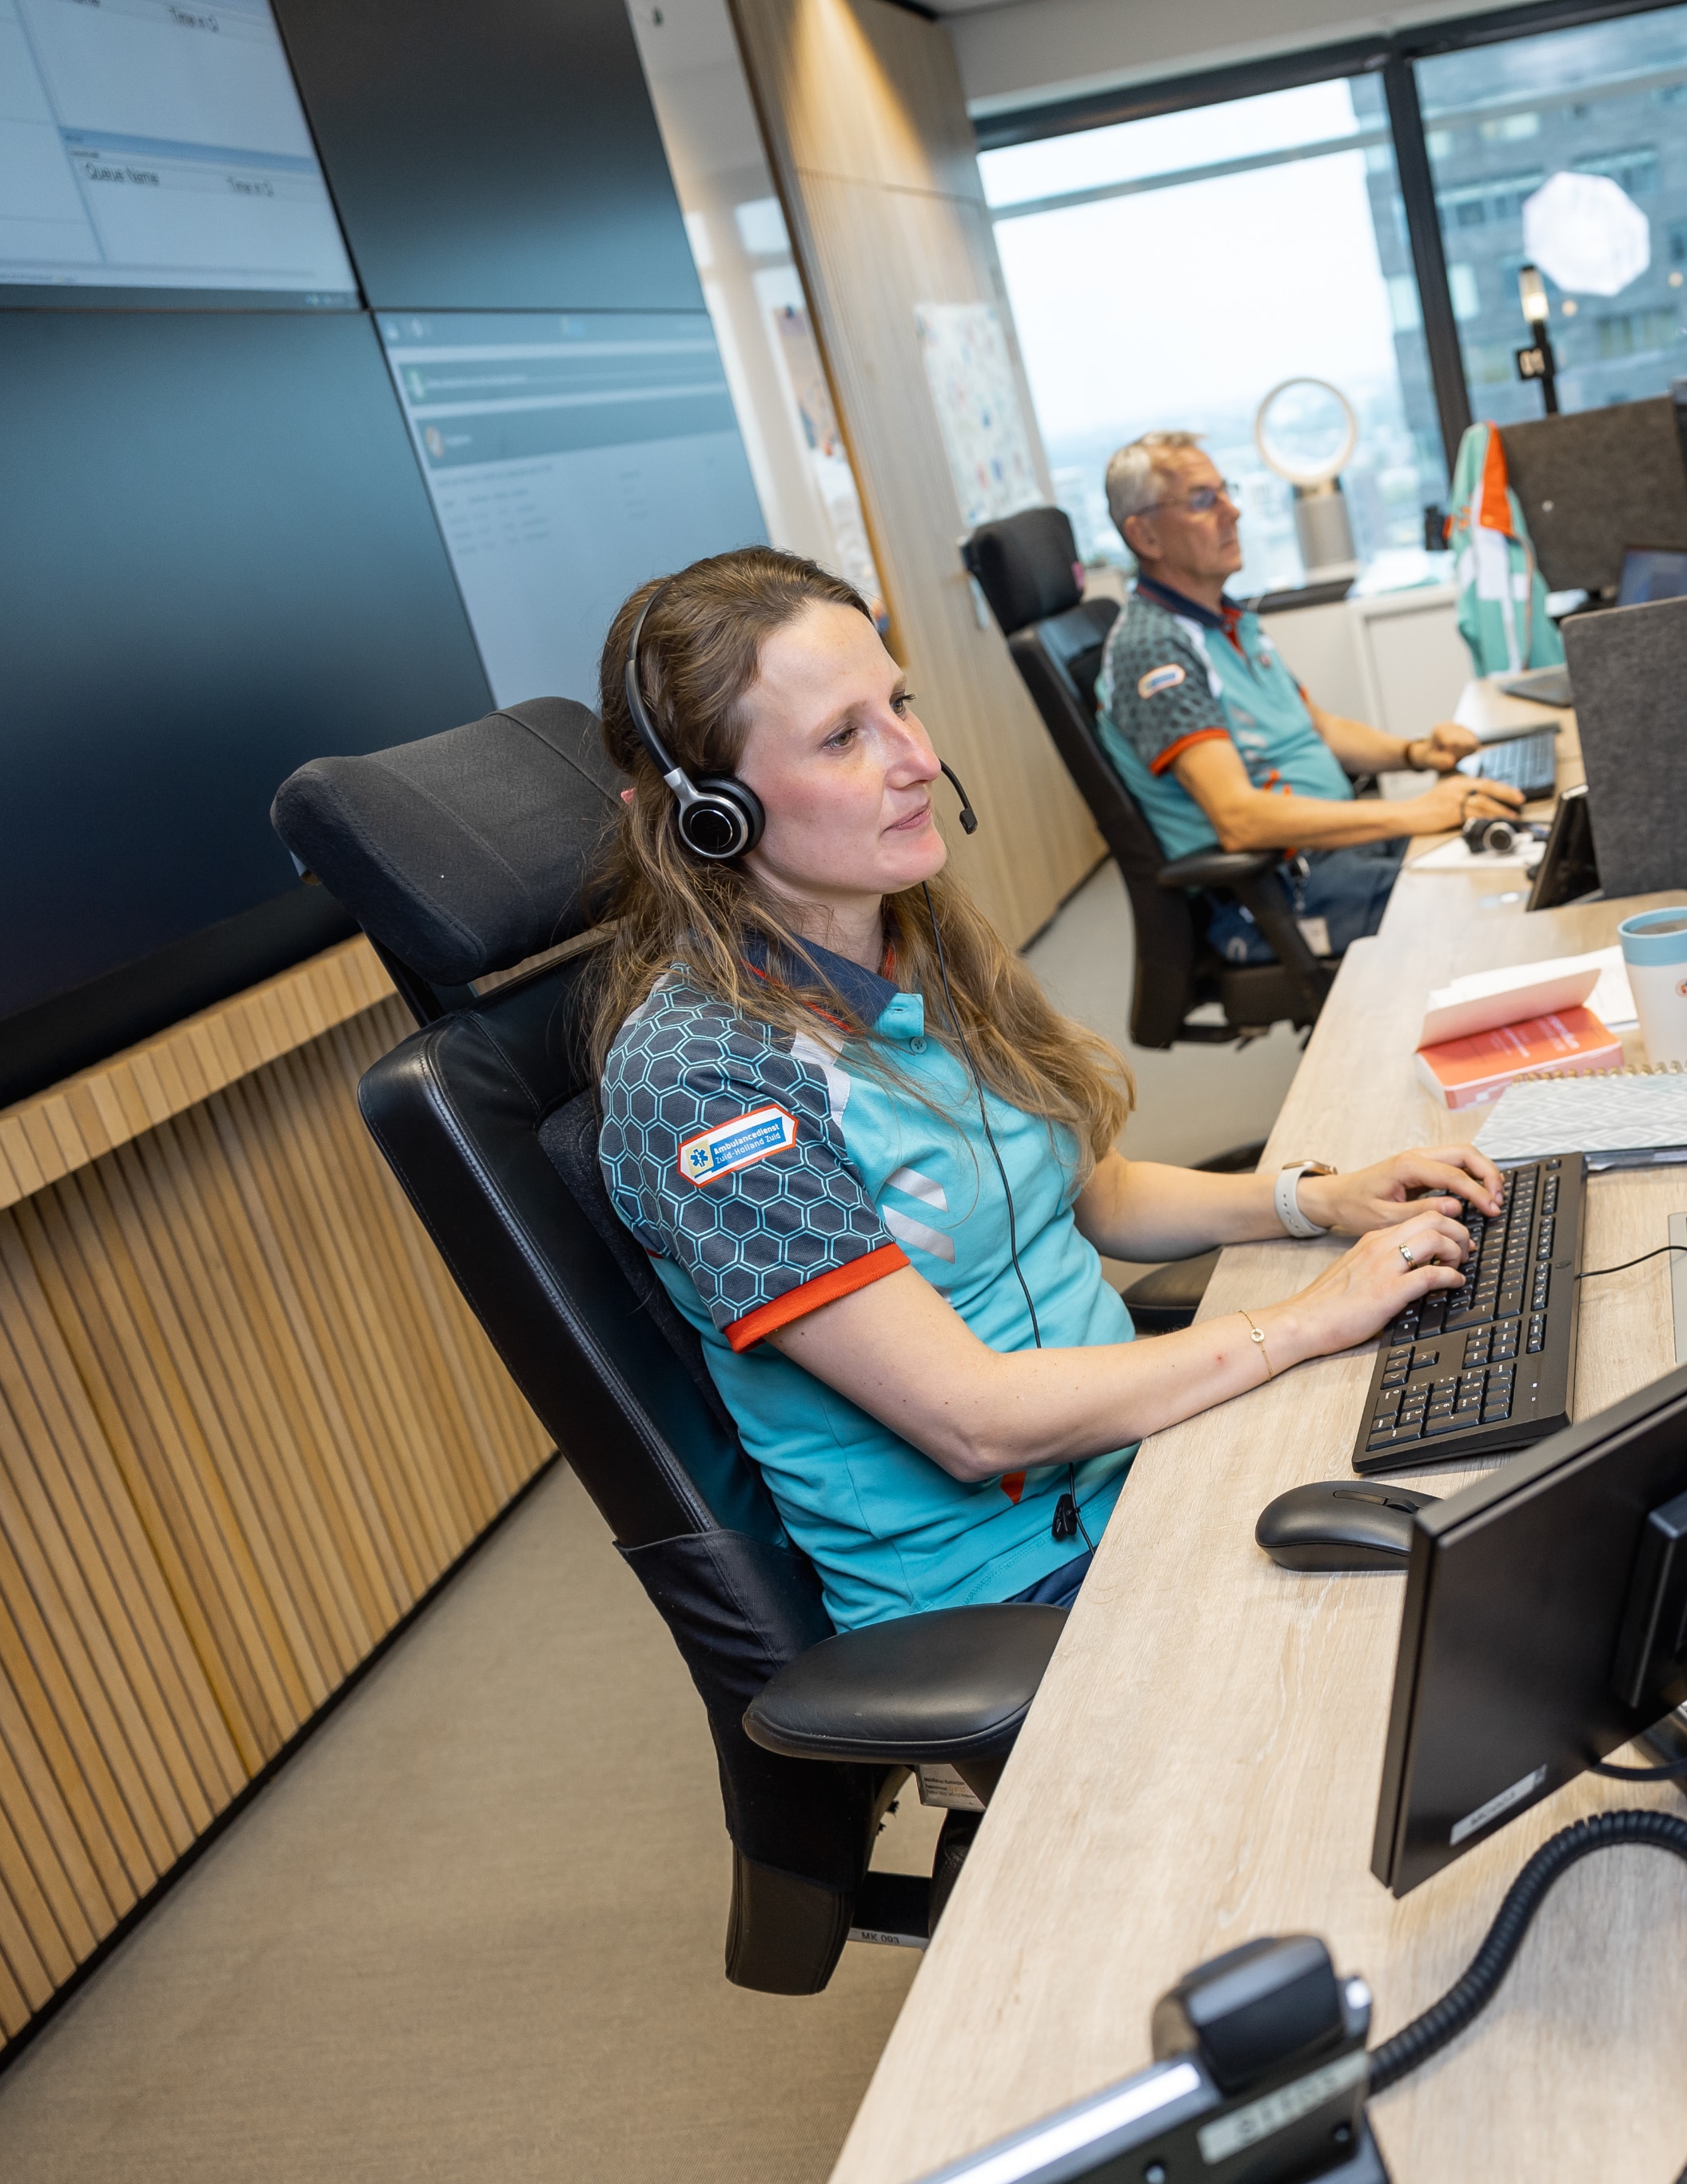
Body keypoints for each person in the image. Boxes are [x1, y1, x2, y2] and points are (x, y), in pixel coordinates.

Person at [590, 546, 1501, 1631]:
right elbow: (975, 1422)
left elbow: (1095, 1193)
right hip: (1014, 1586)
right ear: (710, 814)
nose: (918, 758)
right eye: (842, 737)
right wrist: (1304, 1322)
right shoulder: (704, 1082)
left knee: (1495, 1475)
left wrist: (1316, 1197)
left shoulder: (918, 942)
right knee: (1454, 1616)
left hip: (1142, 1451)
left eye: (900, 705)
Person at [1095, 431, 1525, 964]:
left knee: (1521, 850)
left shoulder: (1229, 620)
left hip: (1339, 850)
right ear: (1145, 535)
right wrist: (1414, 813)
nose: (1232, 511)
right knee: (1497, 898)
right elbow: (1239, 819)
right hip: (1278, 893)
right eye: (1203, 500)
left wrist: (1415, 752)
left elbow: (1319, 727)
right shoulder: (1154, 649)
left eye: (1227, 492)